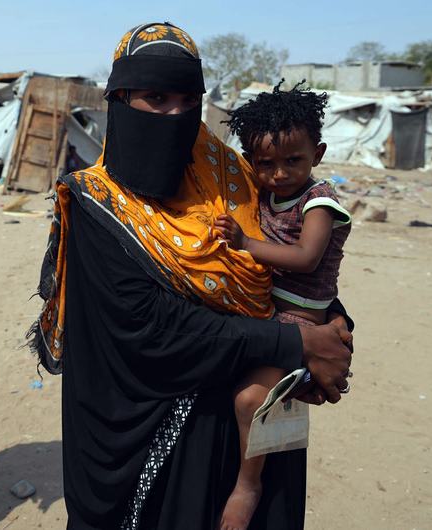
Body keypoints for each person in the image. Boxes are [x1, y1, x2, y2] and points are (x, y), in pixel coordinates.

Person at [29, 23, 355, 529]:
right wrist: (295, 346)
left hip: (254, 416)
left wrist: (330, 326)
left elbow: (294, 261)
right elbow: (150, 327)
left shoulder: (237, 178)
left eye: (188, 100)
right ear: (119, 99)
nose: (175, 115)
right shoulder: (99, 204)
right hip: (158, 437)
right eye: (156, 98)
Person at [212, 82, 352, 530]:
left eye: (293, 161)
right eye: (265, 164)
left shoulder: (319, 201)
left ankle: (247, 485)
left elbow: (306, 257)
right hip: (266, 308)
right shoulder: (266, 194)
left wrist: (245, 242)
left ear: (318, 152)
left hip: (299, 316)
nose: (278, 174)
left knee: (251, 399)